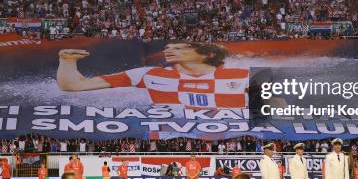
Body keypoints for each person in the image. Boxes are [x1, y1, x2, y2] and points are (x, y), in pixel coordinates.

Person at [57, 42, 249, 109]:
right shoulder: (148, 74)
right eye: (169, 47)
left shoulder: (242, 74)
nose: (170, 50)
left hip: (222, 145)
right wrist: (66, 61)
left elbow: (275, 103)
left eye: (180, 48)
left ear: (209, 54)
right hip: (169, 144)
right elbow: (75, 85)